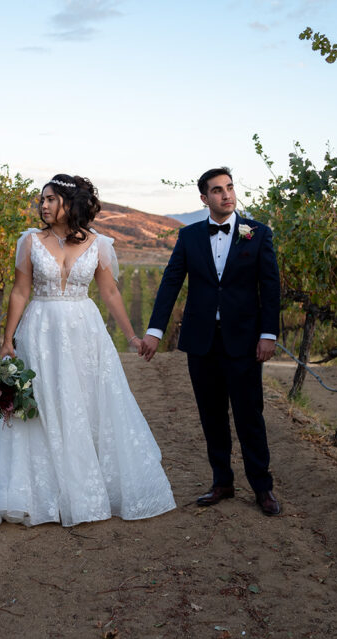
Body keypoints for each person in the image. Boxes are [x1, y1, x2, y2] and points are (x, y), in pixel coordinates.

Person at [0, 174, 177, 528]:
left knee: (85, 403)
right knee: (42, 404)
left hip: (84, 331)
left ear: (70, 202)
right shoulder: (30, 242)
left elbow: (110, 293)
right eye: (41, 200)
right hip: (40, 329)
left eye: (50, 199)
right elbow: (20, 292)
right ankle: (39, 492)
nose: (43, 206)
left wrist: (131, 336)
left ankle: (86, 488)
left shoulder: (99, 244)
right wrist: (7, 340)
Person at [140, 167, 282, 516]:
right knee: (211, 415)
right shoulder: (188, 237)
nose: (226, 195)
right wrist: (155, 331)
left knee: (250, 415)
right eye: (217, 190)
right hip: (202, 342)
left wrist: (268, 333)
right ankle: (222, 482)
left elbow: (271, 287)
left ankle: (262, 487)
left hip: (245, 342)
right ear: (204, 198)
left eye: (230, 188)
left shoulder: (258, 234)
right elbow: (171, 283)